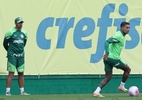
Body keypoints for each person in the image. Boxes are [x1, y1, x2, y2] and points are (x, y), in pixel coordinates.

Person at [93, 22, 131, 97]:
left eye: (129, 28)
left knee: (108, 76)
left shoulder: (121, 36)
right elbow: (107, 42)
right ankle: (121, 86)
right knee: (127, 69)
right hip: (113, 58)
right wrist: (107, 52)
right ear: (122, 28)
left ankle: (97, 91)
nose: (128, 29)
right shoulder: (119, 35)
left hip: (107, 59)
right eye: (126, 27)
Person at [3, 17, 30, 96]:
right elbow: (5, 44)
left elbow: (23, 44)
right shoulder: (10, 32)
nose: (20, 24)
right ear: (15, 23)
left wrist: (19, 51)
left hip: (21, 56)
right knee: (11, 73)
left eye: (21, 23)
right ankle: (7, 92)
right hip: (12, 56)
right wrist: (10, 52)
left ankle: (22, 91)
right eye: (19, 23)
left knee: (21, 73)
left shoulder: (24, 32)